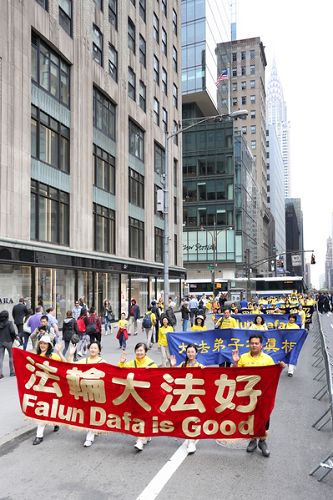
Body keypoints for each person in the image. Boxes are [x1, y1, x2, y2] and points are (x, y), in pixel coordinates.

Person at [227, 334, 285, 457]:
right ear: (249, 344)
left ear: (261, 345)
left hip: (263, 394)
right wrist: (236, 363)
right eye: (252, 343)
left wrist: (280, 368)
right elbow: (234, 374)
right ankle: (252, 440)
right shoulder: (243, 357)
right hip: (247, 395)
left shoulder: (267, 359)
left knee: (264, 417)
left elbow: (272, 375)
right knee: (249, 417)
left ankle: (262, 442)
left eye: (256, 343)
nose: (254, 345)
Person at [119, 343, 157, 451]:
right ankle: (145, 435)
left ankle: (140, 439)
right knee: (137, 416)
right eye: (137, 350)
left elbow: (157, 378)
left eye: (141, 350)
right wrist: (122, 363)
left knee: (144, 415)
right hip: (134, 394)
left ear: (145, 352)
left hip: (147, 395)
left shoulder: (151, 364)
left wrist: (151, 371)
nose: (139, 352)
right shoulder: (132, 363)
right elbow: (120, 371)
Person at [68, 341, 106, 447]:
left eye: (95, 348)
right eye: (91, 348)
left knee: (93, 413)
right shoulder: (84, 360)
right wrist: (71, 354)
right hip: (85, 392)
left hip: (97, 392)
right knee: (89, 413)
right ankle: (93, 431)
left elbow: (110, 374)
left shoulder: (102, 362)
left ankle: (90, 436)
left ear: (99, 350)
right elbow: (70, 367)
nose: (93, 350)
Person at [170, 344, 204, 454]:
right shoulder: (183, 365)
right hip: (184, 396)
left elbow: (207, 379)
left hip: (195, 396)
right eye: (188, 352)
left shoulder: (200, 366)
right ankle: (188, 438)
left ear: (196, 353)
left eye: (192, 352)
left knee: (194, 418)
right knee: (185, 417)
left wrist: (205, 371)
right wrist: (173, 366)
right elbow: (174, 376)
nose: (190, 354)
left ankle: (191, 442)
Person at [32, 335, 66, 444]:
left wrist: (60, 352)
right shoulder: (35, 355)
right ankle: (40, 434)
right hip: (40, 386)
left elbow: (65, 365)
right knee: (42, 408)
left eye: (45, 343)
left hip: (52, 386)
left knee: (51, 407)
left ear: (49, 345)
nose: (42, 345)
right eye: (41, 343)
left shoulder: (54, 356)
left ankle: (52, 424)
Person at [0, 310, 16, 379]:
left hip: (0, 342)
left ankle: (0, 373)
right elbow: (12, 331)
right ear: (7, 316)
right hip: (9, 341)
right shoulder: (9, 323)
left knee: (0, 358)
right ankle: (12, 372)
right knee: (11, 357)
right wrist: (14, 338)